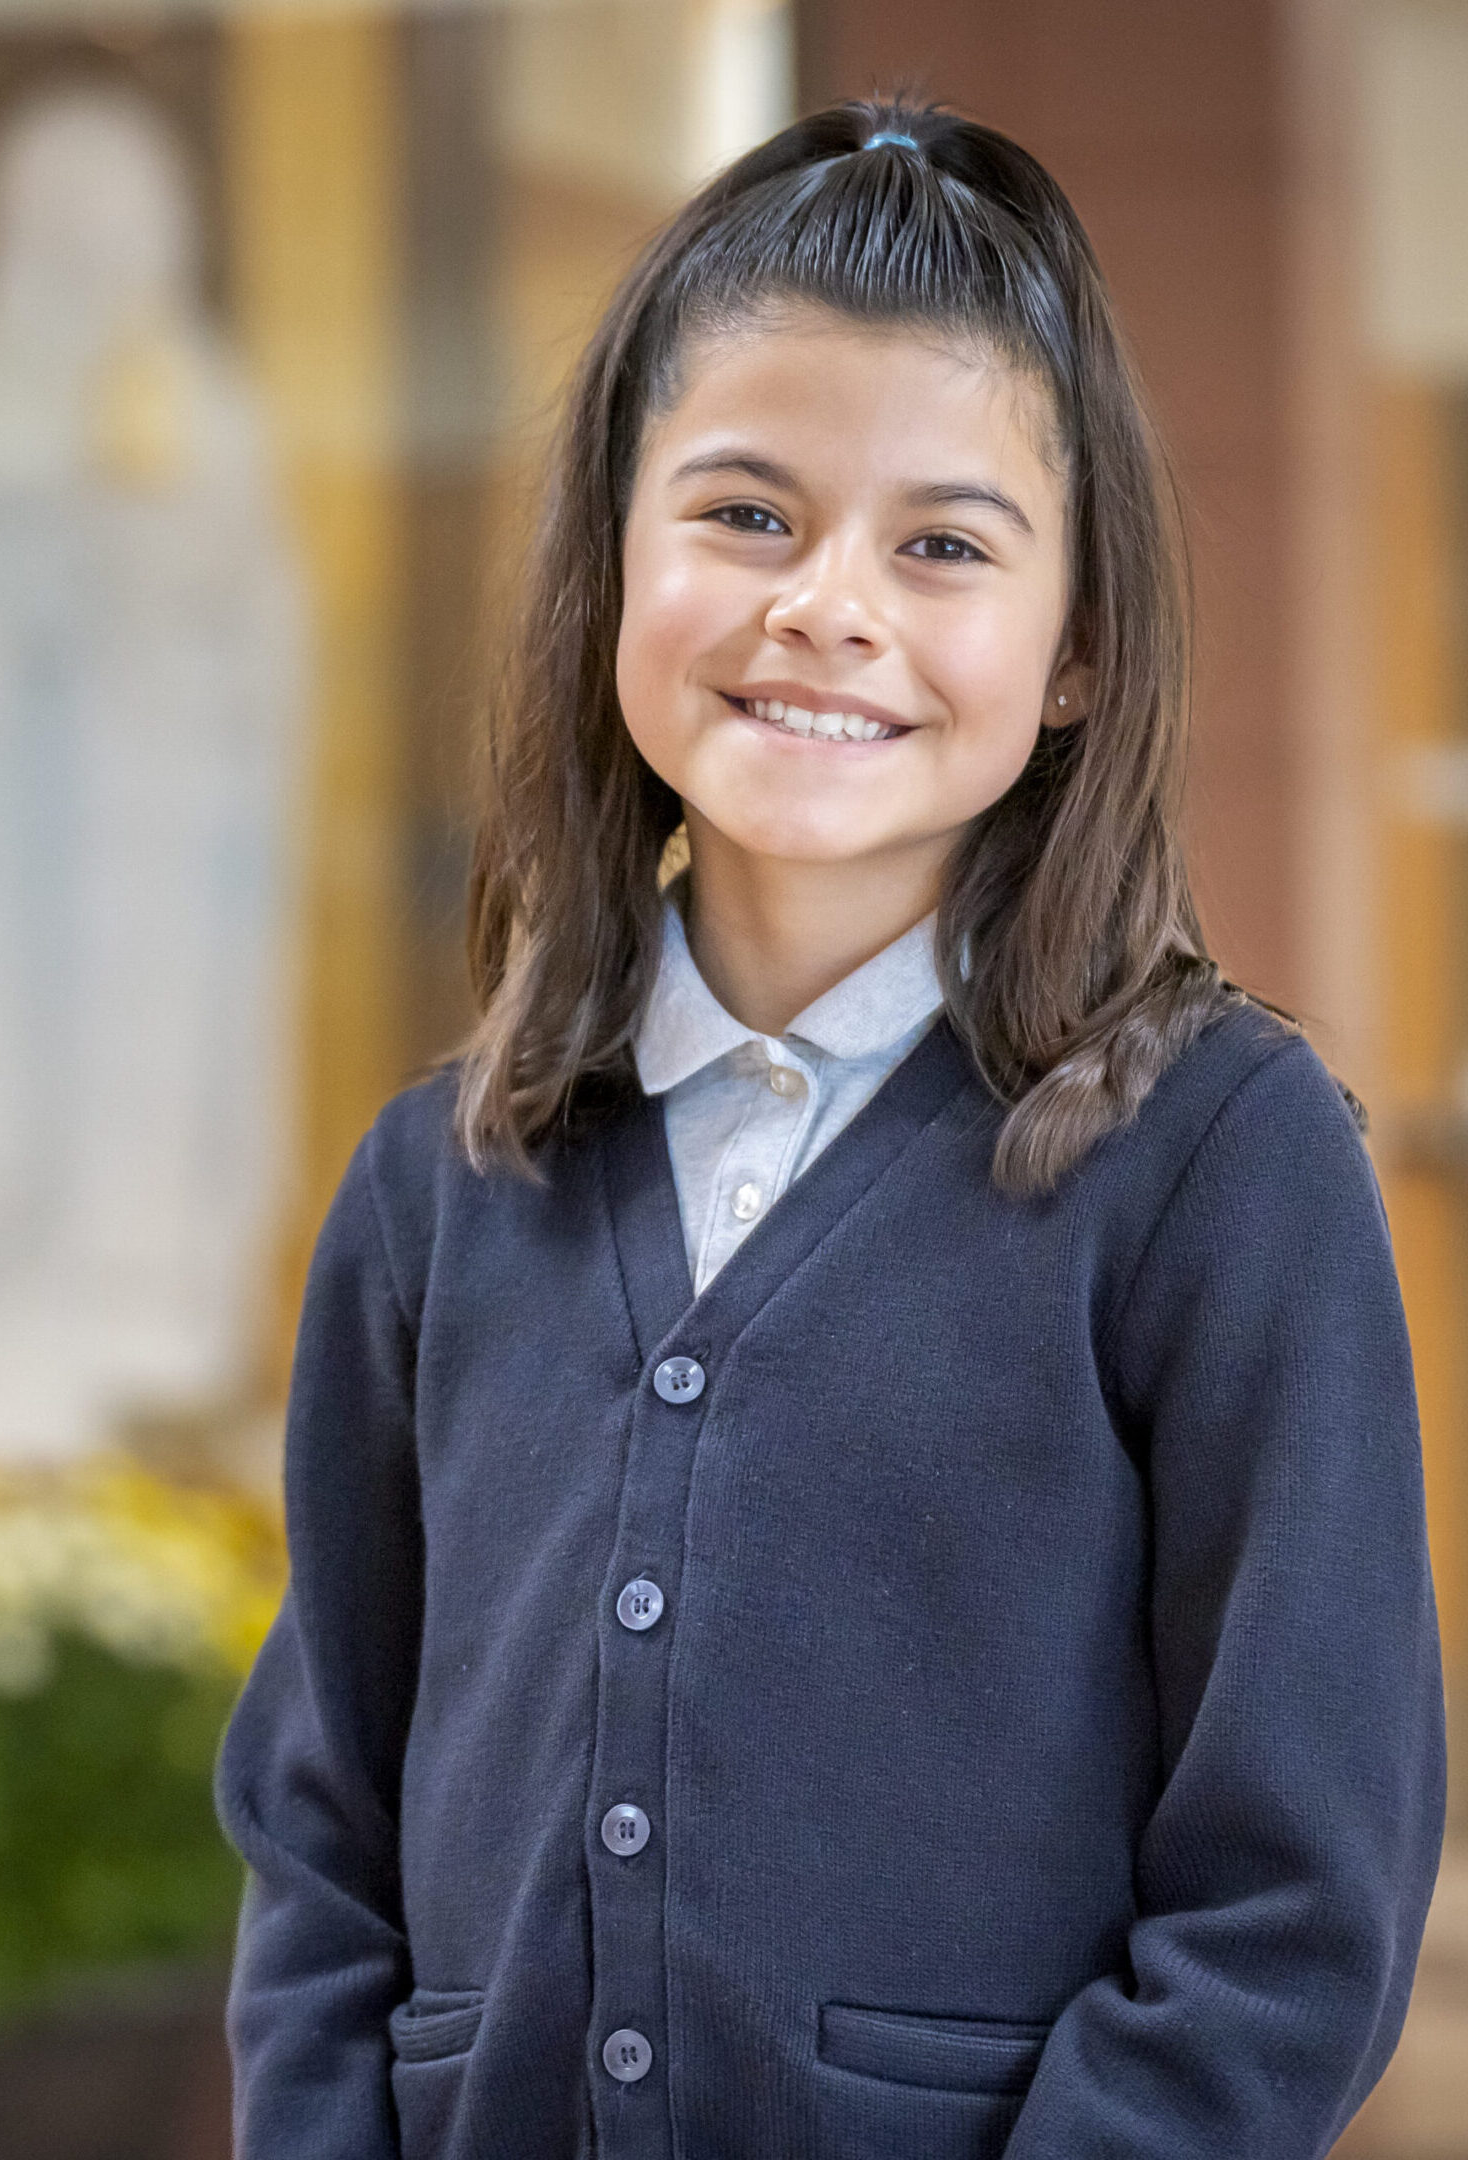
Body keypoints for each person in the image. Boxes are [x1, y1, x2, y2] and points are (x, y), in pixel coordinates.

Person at [213, 99, 1447, 2160]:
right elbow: (322, 1840)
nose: (830, 606)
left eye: (944, 545)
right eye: (748, 515)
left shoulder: (1222, 1166)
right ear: (615, 555)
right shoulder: (441, 1186)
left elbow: (1294, 1906)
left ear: (1074, 654)